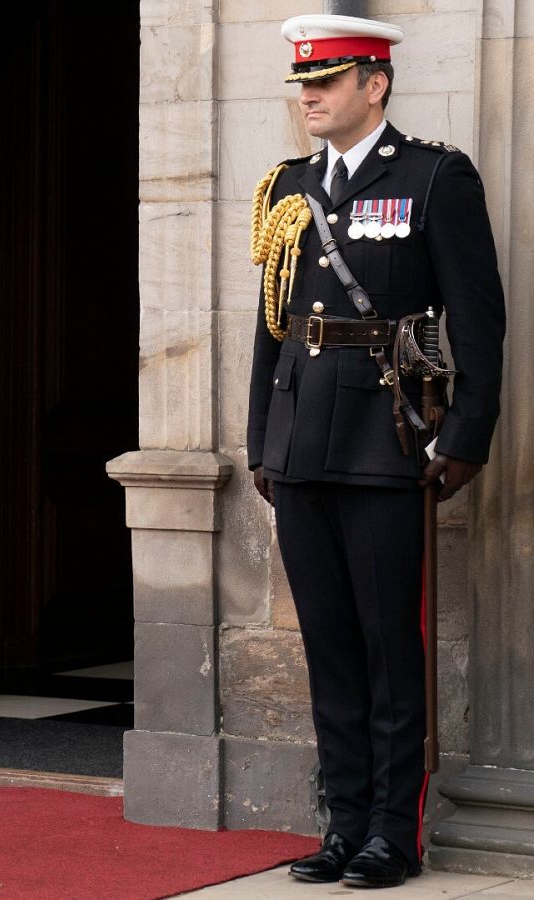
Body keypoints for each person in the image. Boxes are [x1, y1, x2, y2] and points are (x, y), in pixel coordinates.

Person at [247, 14, 505, 889]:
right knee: (328, 645)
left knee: (391, 644)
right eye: (302, 84)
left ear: (375, 84)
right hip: (301, 444)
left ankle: (395, 832)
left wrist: (466, 434)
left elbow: (479, 315)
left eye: (326, 81)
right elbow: (272, 329)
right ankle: (343, 823)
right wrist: (261, 442)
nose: (309, 96)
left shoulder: (434, 177)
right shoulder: (289, 184)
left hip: (386, 442)